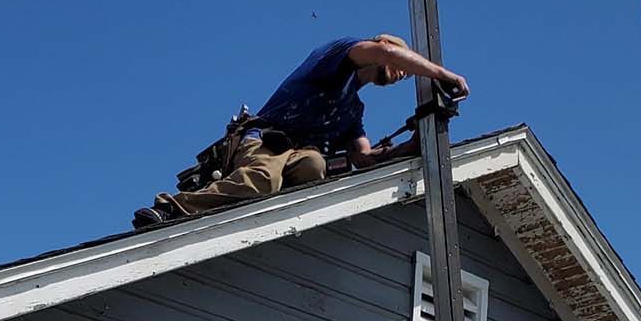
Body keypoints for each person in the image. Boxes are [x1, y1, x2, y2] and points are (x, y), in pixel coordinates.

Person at [133, 34, 470, 229]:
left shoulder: (353, 110)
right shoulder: (335, 56)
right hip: (264, 141)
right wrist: (440, 74)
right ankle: (172, 208)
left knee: (314, 166)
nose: (403, 72)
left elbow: (364, 158)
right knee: (265, 177)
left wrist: (414, 144)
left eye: (408, 71)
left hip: (299, 155)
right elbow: (383, 52)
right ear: (379, 46)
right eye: (403, 62)